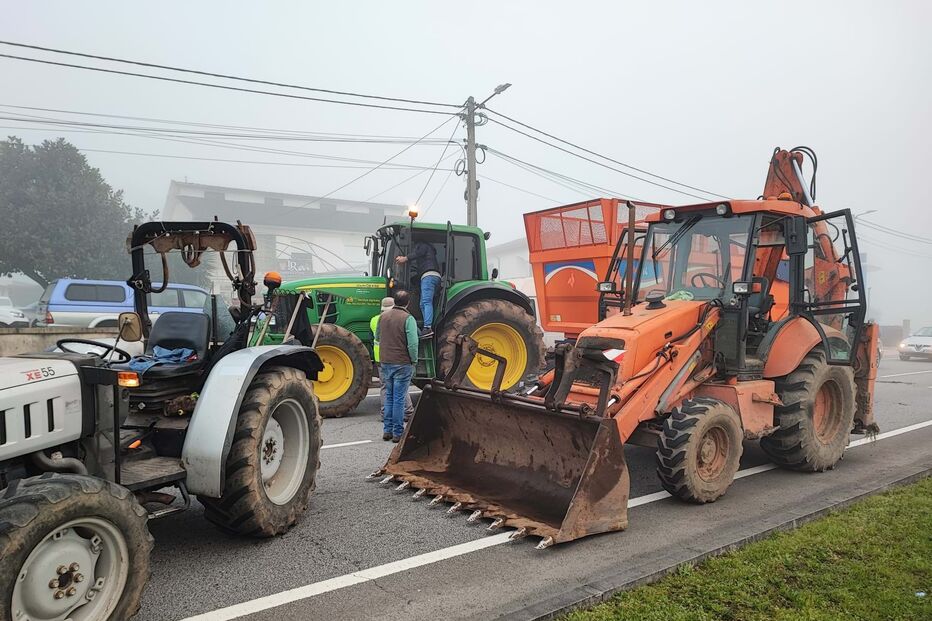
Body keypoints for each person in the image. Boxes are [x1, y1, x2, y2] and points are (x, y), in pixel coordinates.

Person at [375, 290, 418, 442]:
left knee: (389, 396)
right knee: (399, 398)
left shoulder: (383, 317)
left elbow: (377, 337)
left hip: (385, 361)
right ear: (408, 303)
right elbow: (413, 343)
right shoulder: (408, 318)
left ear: (394, 301)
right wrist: (414, 360)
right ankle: (398, 433)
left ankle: (387, 431)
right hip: (402, 363)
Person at [370, 296, 414, 423]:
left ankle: (385, 414)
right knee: (401, 386)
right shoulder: (402, 318)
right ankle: (408, 412)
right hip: (397, 357)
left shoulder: (374, 320)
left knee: (385, 387)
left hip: (381, 358)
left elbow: (374, 337)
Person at [395, 240, 440, 337]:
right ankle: (427, 324)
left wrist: (405, 258)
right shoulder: (430, 255)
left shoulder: (423, 245)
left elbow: (418, 253)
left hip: (428, 276)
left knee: (426, 301)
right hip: (432, 276)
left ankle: (427, 327)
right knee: (422, 303)